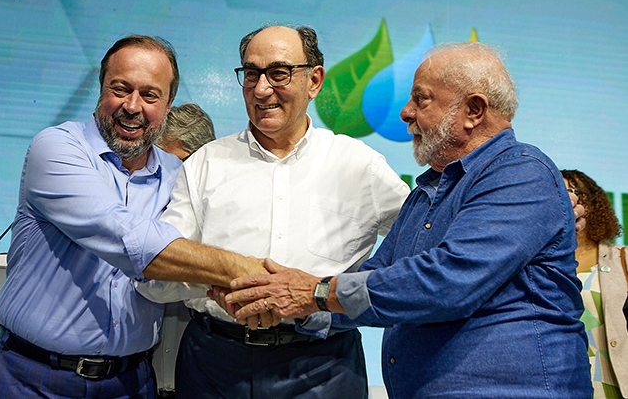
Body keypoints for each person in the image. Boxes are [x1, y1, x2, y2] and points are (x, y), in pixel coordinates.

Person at [227, 42, 593, 399]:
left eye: (421, 99)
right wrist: (280, 301)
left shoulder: (521, 172)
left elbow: (450, 279)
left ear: (474, 111)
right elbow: (374, 276)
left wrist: (316, 293)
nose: (405, 112)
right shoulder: (427, 191)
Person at [0, 35, 271, 399]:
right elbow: (125, 236)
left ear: (168, 105)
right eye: (120, 89)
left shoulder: (182, 174)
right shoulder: (57, 148)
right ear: (101, 88)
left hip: (132, 382)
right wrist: (243, 270)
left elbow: (212, 238)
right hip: (35, 378)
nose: (132, 106)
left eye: (150, 96)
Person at [139, 25, 411, 399]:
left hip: (324, 367)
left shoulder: (360, 166)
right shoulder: (205, 164)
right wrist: (225, 285)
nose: (262, 88)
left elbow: (423, 251)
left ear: (314, 81)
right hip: (213, 364)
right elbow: (154, 275)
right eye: (251, 73)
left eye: (279, 73)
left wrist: (347, 294)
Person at [152, 102, 216, 399]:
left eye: (172, 162)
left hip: (202, 380)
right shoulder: (136, 212)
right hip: (138, 381)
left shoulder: (223, 221)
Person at [561, 169, 628, 398]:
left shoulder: (624, 259)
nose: (562, 199)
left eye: (570, 191)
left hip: (616, 385)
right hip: (562, 387)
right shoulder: (537, 267)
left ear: (591, 203)